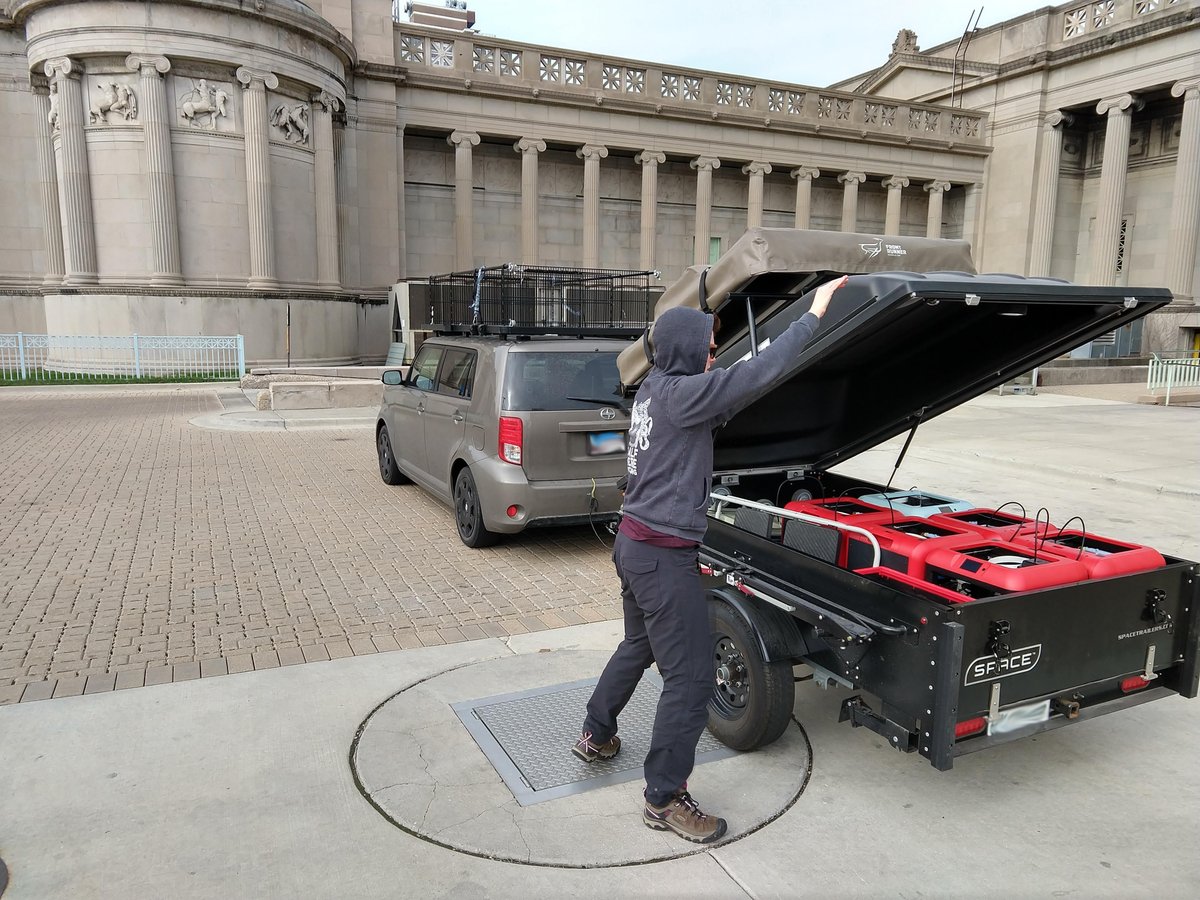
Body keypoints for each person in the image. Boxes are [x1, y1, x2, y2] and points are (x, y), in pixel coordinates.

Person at [571, 275, 849, 843]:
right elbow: (757, 373)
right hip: (661, 555)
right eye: (709, 347)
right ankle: (664, 798)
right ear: (685, 351)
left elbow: (718, 407)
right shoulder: (682, 394)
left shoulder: (654, 390)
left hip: (634, 544)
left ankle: (595, 734)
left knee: (639, 645)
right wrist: (814, 313)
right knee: (692, 680)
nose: (715, 355)